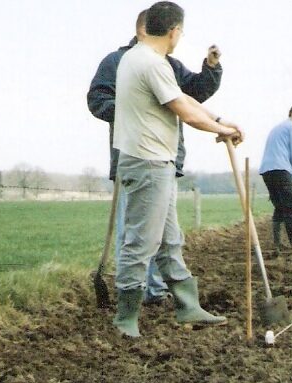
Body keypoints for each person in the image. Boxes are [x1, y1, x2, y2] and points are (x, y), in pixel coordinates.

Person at [111, 1, 243, 338]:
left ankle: (187, 306)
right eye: (180, 32)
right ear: (174, 31)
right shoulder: (150, 63)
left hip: (156, 162)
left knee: (170, 240)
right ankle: (125, 319)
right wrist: (221, 130)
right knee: (141, 242)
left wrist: (219, 121)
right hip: (148, 162)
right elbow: (184, 110)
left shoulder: (137, 58)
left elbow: (186, 100)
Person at [87, 9, 222, 304]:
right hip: (135, 154)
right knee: (134, 233)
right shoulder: (117, 61)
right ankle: (132, 297)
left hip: (166, 155)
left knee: (163, 231)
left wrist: (211, 68)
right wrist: (137, 110)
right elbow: (97, 100)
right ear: (144, 30)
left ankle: (156, 291)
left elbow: (191, 95)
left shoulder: (167, 64)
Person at [259, 104, 292, 254]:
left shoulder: (277, 128)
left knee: (280, 207)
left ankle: (277, 244)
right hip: (282, 169)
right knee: (291, 206)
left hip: (267, 170)